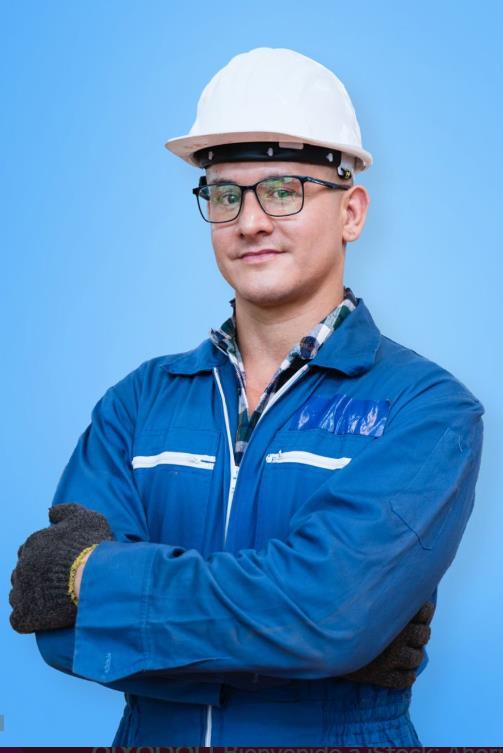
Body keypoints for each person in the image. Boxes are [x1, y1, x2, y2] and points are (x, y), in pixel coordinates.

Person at [9, 47, 484, 745]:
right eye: (225, 194)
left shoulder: (426, 411)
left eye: (283, 189)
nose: (250, 221)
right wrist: (317, 643)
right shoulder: (136, 406)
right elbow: (57, 628)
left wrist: (94, 581)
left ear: (351, 212)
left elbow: (321, 617)